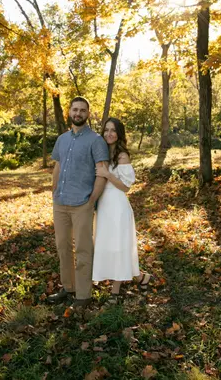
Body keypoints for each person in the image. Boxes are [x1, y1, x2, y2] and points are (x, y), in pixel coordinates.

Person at [48, 97, 109, 308]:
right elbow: (58, 165)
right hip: (61, 202)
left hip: (82, 203)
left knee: (83, 249)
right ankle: (68, 287)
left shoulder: (95, 141)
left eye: (83, 110)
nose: (78, 113)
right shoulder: (62, 139)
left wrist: (92, 199)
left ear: (88, 114)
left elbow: (102, 172)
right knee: (62, 247)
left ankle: (83, 295)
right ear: (69, 112)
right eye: (75, 109)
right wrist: (54, 190)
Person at [92, 117, 152, 304]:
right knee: (109, 246)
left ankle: (115, 293)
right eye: (106, 130)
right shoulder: (103, 152)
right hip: (103, 206)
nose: (109, 134)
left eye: (113, 130)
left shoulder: (122, 155)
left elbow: (126, 187)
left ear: (119, 134)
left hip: (117, 206)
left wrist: (108, 174)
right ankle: (141, 277)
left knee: (118, 247)